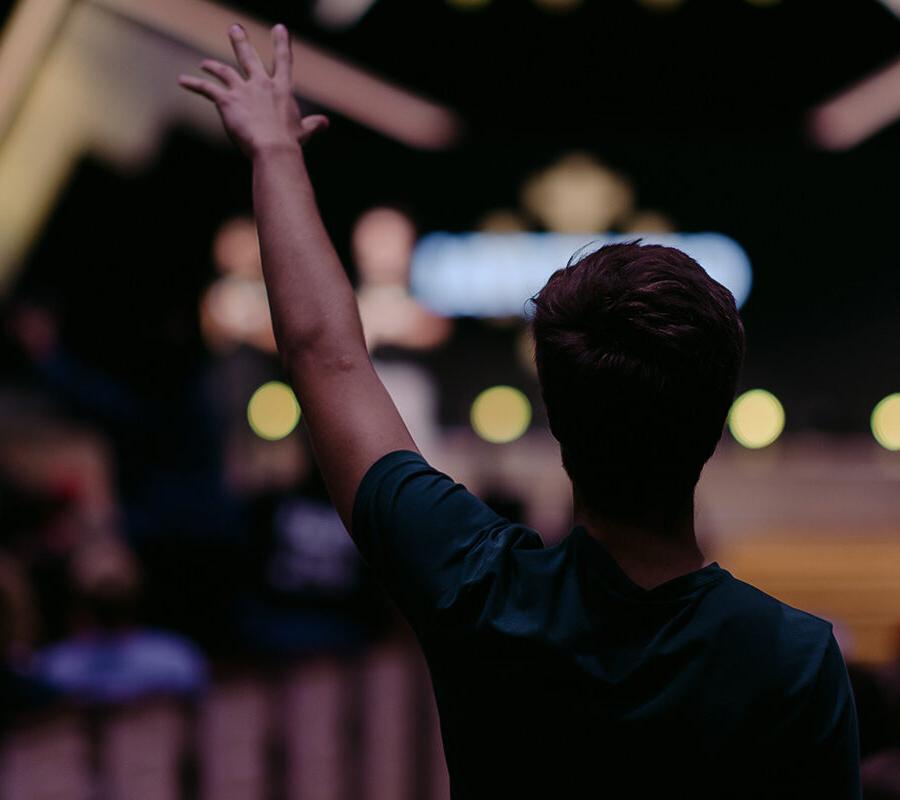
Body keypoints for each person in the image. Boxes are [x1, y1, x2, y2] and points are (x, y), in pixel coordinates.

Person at [179, 25, 860, 798]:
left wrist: (274, 152)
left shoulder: (475, 586)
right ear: (714, 420)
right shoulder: (794, 660)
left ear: (559, 418)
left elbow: (324, 355)